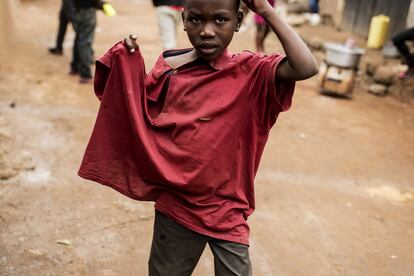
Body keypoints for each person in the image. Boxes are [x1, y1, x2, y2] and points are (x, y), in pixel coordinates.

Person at [78, 0, 318, 274]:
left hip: (228, 209)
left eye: (219, 20)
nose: (206, 31)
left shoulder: (254, 73)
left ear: (238, 20)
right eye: (195, 19)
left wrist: (264, 10)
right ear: (183, 18)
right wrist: (127, 61)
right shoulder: (170, 67)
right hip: (178, 208)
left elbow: (306, 67)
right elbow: (139, 115)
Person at [71, 0, 107, 83]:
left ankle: (75, 67)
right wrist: (101, 4)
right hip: (87, 11)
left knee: (79, 38)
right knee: (85, 43)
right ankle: (85, 74)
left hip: (77, 10)